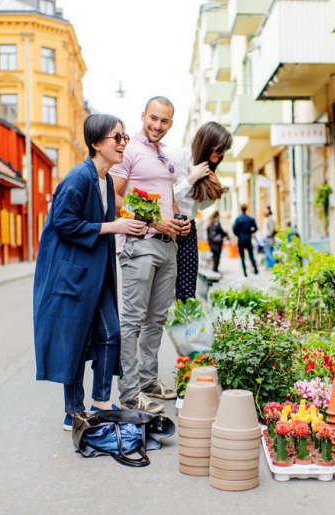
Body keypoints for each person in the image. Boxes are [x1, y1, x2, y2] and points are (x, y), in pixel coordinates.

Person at [33, 114, 146, 431]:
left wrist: (129, 222)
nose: (124, 143)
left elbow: (103, 222)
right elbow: (63, 224)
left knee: (111, 334)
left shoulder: (107, 180)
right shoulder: (77, 179)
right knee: (76, 342)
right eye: (117, 138)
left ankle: (100, 403)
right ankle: (73, 411)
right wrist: (115, 226)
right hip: (73, 274)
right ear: (96, 143)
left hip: (98, 271)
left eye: (125, 137)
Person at [109, 96, 190, 413]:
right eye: (153, 118)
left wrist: (178, 221)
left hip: (168, 245)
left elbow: (168, 196)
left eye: (165, 121)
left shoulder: (164, 157)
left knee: (157, 318)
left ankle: (147, 381)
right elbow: (114, 197)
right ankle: (129, 392)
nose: (158, 125)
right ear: (143, 116)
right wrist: (151, 221)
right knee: (132, 321)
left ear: (171, 122)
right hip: (139, 244)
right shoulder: (128, 151)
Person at [170, 121, 232, 301]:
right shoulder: (178, 158)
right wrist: (191, 179)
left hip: (188, 226)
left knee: (187, 292)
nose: (221, 156)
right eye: (219, 151)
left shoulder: (206, 166)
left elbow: (199, 205)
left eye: (223, 152)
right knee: (163, 290)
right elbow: (165, 197)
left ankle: (183, 327)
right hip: (167, 226)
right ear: (207, 145)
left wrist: (214, 193)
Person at [232, 204, 259, 277]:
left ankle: (245, 272)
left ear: (241, 209)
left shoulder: (238, 219)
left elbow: (234, 229)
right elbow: (256, 228)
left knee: (242, 257)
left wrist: (238, 234)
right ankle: (256, 269)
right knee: (251, 255)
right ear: (246, 209)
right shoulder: (250, 219)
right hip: (248, 238)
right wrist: (251, 232)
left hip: (241, 239)